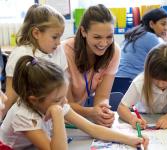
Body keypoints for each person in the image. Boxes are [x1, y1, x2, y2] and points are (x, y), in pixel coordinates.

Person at [0, 55, 149, 150]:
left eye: (63, 96)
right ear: (34, 100)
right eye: (58, 99)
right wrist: (58, 115)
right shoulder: (24, 115)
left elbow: (92, 128)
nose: (65, 101)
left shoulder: (53, 102)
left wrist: (132, 139)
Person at [2, 4, 67, 117]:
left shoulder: (58, 50)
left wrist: (62, 107)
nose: (58, 42)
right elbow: (10, 95)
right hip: (26, 116)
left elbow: (62, 88)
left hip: (50, 112)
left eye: (60, 37)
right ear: (36, 33)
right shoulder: (21, 54)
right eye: (54, 37)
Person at [62, 4, 120, 127]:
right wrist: (91, 112)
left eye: (109, 37)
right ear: (83, 31)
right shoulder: (64, 52)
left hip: (79, 118)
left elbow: (103, 96)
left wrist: (103, 110)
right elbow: (64, 104)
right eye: (97, 37)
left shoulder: (114, 51)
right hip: (58, 117)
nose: (104, 43)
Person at [117, 43, 167, 129]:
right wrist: (132, 119)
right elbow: (121, 107)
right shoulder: (140, 82)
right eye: (155, 78)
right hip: (144, 118)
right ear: (149, 71)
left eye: (166, 80)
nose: (160, 84)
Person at [116, 8, 167, 79]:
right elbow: (165, 61)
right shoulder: (150, 37)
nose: (166, 28)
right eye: (163, 24)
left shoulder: (135, 34)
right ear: (151, 24)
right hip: (134, 81)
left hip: (118, 80)